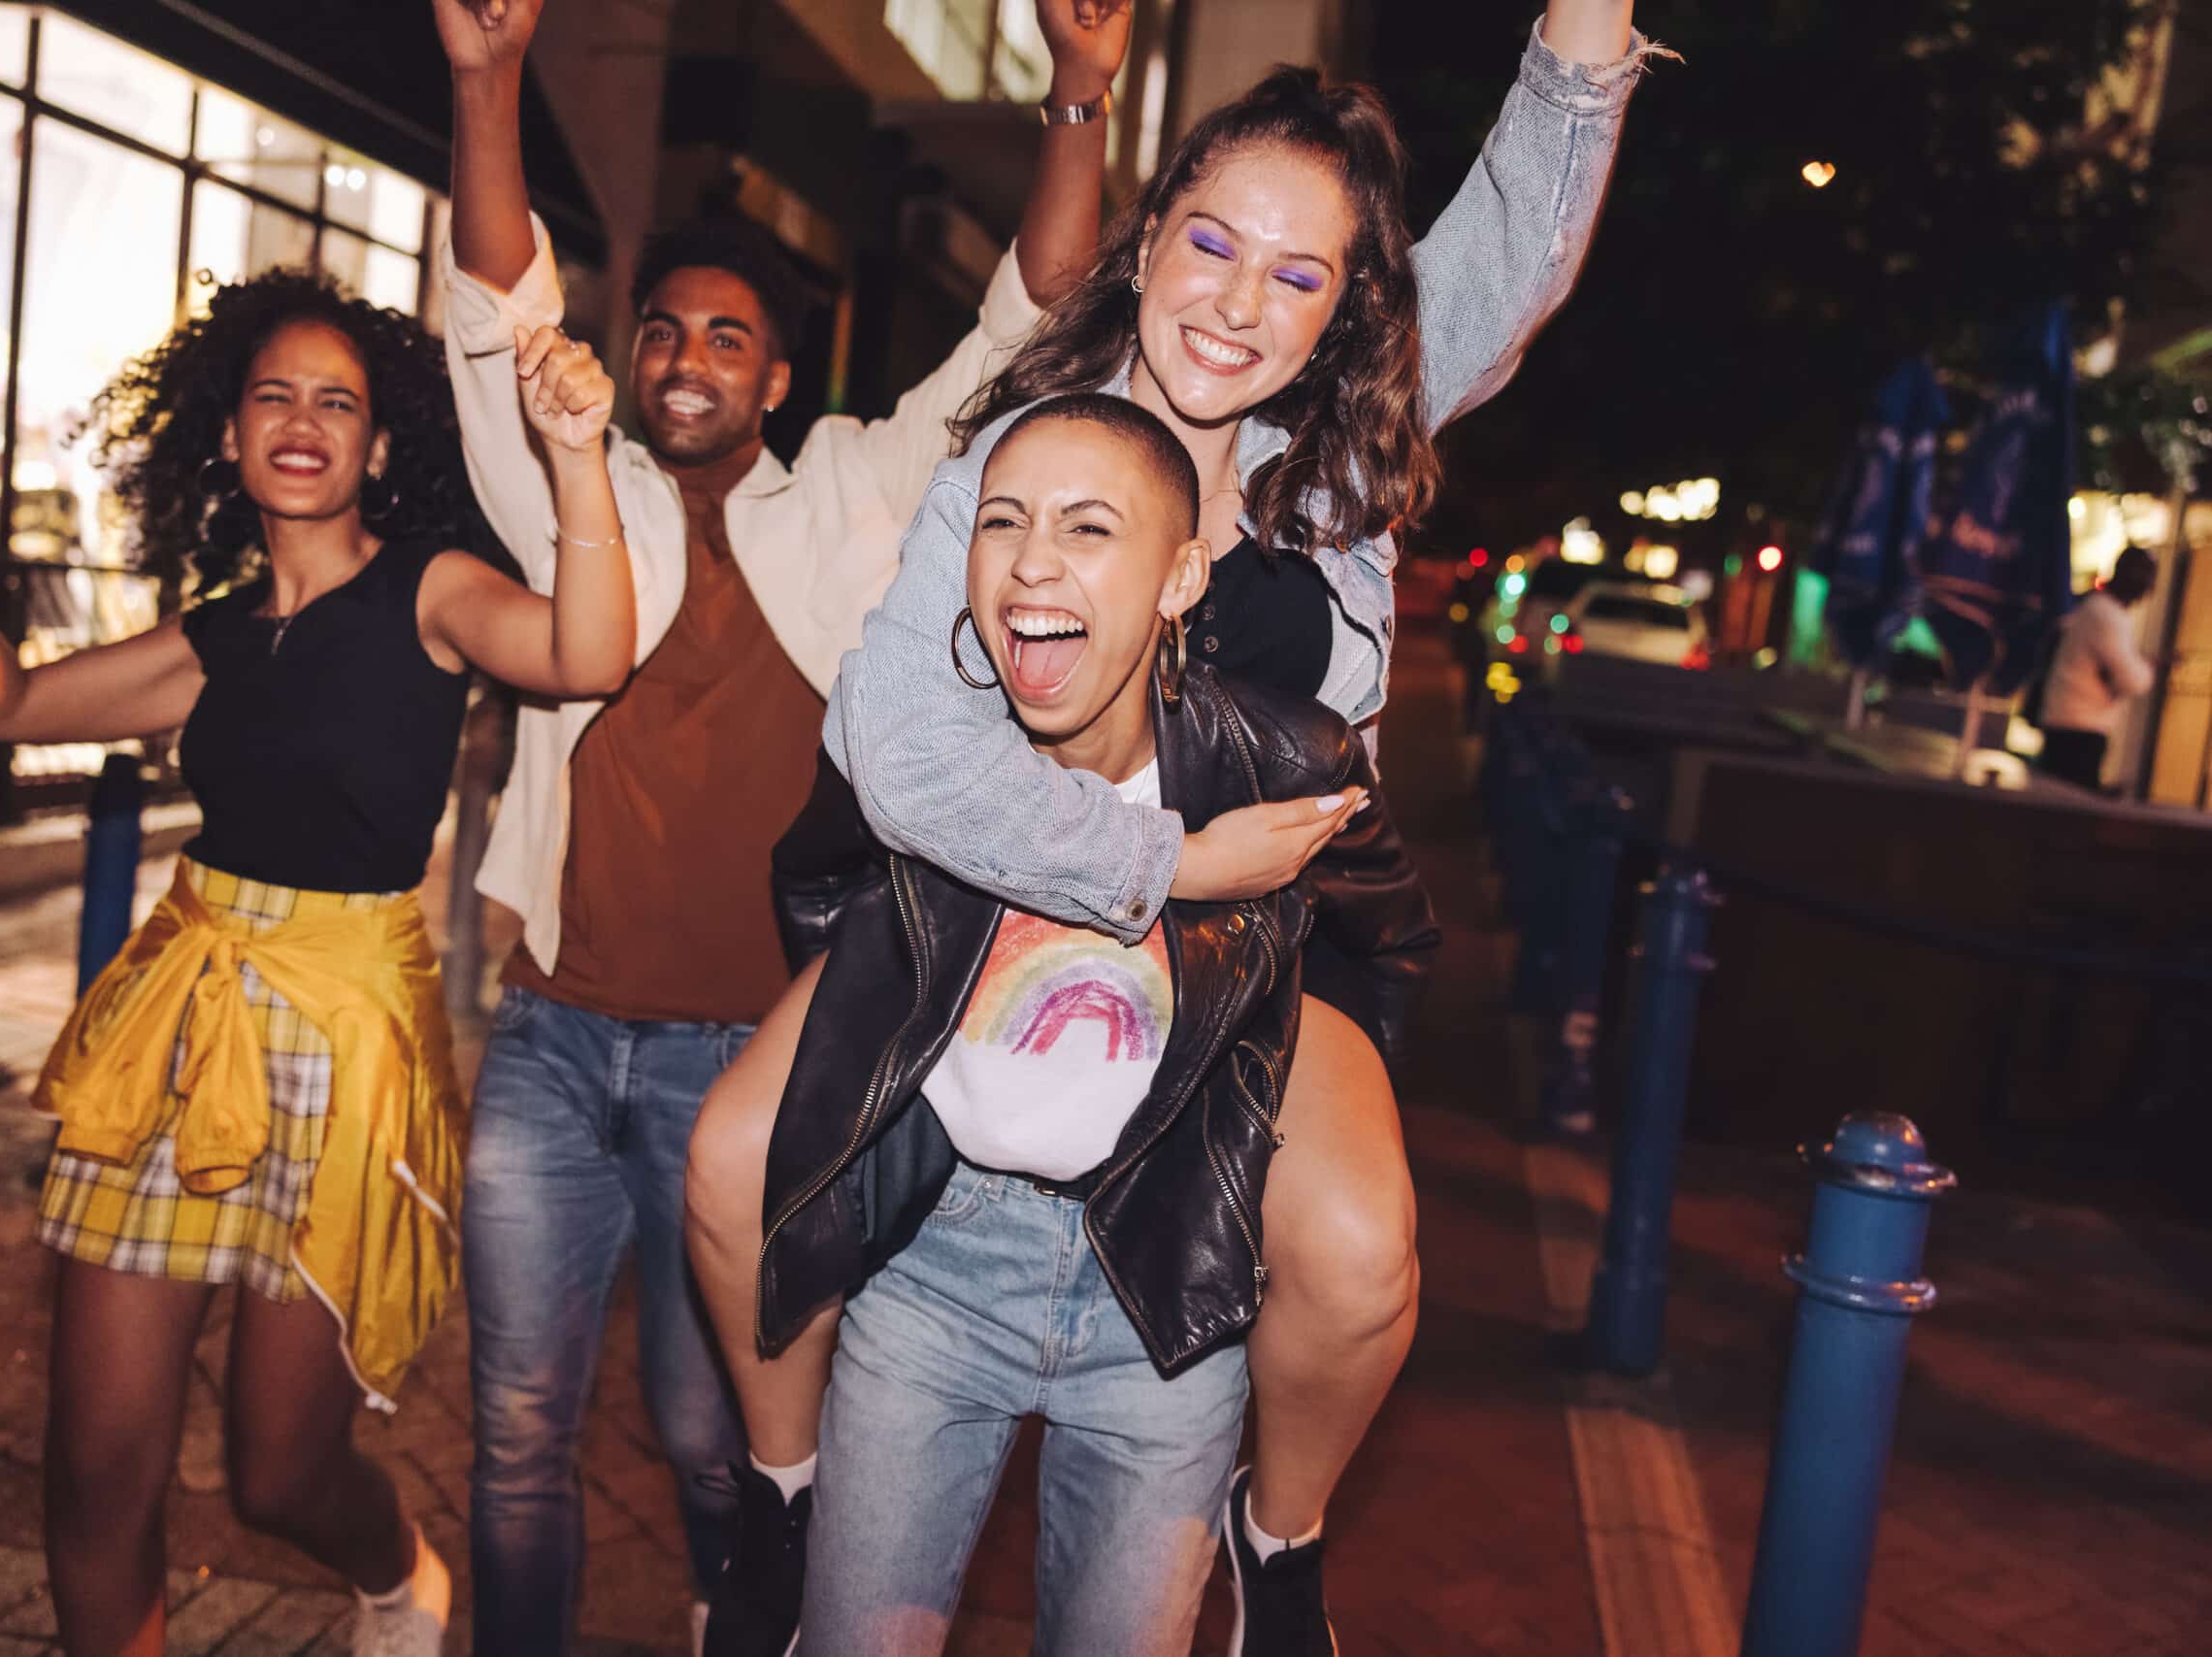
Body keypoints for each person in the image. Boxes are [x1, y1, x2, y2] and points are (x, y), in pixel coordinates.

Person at [685, 7, 1659, 1652]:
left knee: (1360, 1247)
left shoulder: (1334, 467)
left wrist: (1587, 36)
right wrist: (1160, 861)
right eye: (1213, 242)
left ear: (1344, 309)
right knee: (730, 1161)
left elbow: (1520, 237)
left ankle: (1281, 1541)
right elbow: (894, 743)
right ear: (1149, 241)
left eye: (1298, 273)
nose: (1238, 300)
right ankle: (781, 1496)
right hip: (995, 904)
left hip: (1257, 947)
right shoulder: (1021, 450)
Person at [426, 1, 1133, 1648]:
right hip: (549, 1042)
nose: (688, 359)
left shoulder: (851, 494)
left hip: (744, 1061)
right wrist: (489, 78)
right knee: (515, 1436)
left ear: (780, 375)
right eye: (665, 331)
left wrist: (1079, 91)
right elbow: (495, 301)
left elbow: (1027, 321)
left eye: (729, 338)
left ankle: (727, 1617)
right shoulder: (567, 481)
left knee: (715, 1430)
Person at [0, 270, 634, 1657]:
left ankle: (397, 1572)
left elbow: (588, 652)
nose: (302, 421)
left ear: (378, 447)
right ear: (229, 436)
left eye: (337, 403)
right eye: (274, 396)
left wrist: (577, 455)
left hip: (345, 1043)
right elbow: (2, 699)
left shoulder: (431, 592)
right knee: (96, 1461)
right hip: (180, 1023)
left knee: (277, 1474)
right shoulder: (218, 633)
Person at [758, 393, 1436, 1654]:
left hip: (1166, 1296)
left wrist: (1286, 1119)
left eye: (1087, 527)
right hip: (932, 1277)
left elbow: (1386, 938)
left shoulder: (1282, 760)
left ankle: (1275, 1545)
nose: (1032, 561)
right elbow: (816, 883)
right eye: (1000, 521)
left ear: (1180, 577)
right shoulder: (926, 761)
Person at [2036, 547, 2158, 792]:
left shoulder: (2100, 608)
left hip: (2074, 724)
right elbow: (2130, 679)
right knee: (2069, 803)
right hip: (2077, 729)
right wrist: (2146, 668)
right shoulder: (2105, 615)